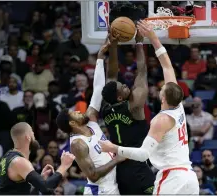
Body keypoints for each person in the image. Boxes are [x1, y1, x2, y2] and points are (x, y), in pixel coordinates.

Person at [99, 20, 199, 195]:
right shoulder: (179, 107)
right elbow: (166, 66)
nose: (161, 86)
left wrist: (113, 148)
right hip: (189, 177)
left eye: (162, 88)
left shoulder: (159, 120)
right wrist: (151, 39)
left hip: (170, 177)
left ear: (162, 97)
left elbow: (144, 154)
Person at [56, 35, 124, 195]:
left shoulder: (91, 120)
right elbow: (92, 175)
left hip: (112, 185)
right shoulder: (77, 144)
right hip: (99, 190)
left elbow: (99, 89)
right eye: (75, 113)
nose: (79, 112)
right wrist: (118, 159)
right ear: (72, 124)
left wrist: (100, 57)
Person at [101, 30, 155, 194]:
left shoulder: (106, 107)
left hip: (120, 170)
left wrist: (114, 45)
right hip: (138, 168)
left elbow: (111, 74)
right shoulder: (134, 106)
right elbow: (142, 72)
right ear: (119, 98)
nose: (126, 85)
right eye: (123, 87)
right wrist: (139, 44)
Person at [0, 122, 75, 195]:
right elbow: (47, 189)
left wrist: (40, 179)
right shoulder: (19, 161)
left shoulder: (7, 156)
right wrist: (64, 166)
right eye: (32, 133)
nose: (34, 136)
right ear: (28, 137)